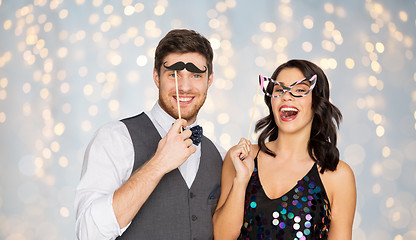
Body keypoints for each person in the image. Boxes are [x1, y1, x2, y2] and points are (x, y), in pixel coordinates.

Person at [75, 29, 226, 240]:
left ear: (209, 80)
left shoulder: (220, 156)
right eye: (173, 74)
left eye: (196, 75)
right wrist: (158, 164)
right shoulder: (116, 138)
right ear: (156, 77)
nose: (184, 86)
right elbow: (88, 233)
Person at [213, 59, 356, 239]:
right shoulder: (241, 157)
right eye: (279, 90)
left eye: (300, 90)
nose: (286, 96)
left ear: (317, 103)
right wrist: (241, 180)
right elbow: (221, 237)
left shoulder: (338, 175)